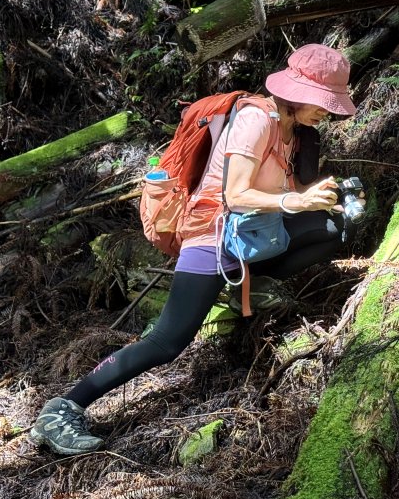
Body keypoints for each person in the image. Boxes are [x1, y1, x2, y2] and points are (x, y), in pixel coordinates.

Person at [30, 44, 363, 455]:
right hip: (213, 235)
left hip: (255, 235)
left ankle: (247, 282)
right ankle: (64, 408)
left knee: (333, 228)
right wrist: (294, 203)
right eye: (323, 105)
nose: (326, 114)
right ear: (298, 94)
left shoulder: (294, 133)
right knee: (168, 341)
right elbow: (238, 194)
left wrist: (321, 194)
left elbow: (284, 191)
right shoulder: (257, 120)